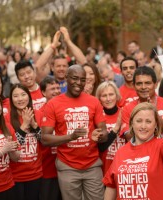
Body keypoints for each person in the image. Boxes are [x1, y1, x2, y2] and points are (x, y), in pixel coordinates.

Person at [41, 64, 108, 200]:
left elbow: (105, 132)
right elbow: (45, 138)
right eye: (75, 78)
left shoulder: (93, 101)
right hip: (67, 166)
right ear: (66, 78)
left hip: (92, 165)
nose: (79, 83)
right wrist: (70, 137)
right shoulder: (53, 104)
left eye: (82, 80)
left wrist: (100, 136)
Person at [103, 102, 163, 200]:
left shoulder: (161, 146)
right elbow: (111, 186)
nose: (143, 126)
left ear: (156, 125)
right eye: (139, 121)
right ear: (132, 123)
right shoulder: (121, 152)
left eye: (148, 121)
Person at [6, 84, 42, 200]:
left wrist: (34, 125)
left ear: (29, 96)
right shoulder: (6, 118)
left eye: (23, 94)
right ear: (11, 99)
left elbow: (44, 141)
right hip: (14, 175)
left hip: (35, 173)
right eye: (15, 96)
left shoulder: (39, 114)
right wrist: (24, 125)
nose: (20, 99)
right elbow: (13, 146)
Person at [120, 66, 163, 140]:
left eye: (147, 83)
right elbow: (129, 137)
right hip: (139, 151)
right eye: (139, 83)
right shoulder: (127, 108)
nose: (143, 87)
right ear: (134, 86)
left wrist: (155, 114)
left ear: (155, 84)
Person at [35, 27, 87, 93]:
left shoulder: (74, 81)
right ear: (52, 68)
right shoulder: (47, 81)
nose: (61, 68)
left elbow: (84, 62)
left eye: (64, 66)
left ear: (68, 68)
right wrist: (53, 46)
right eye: (58, 66)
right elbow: (38, 67)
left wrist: (68, 42)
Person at [39, 77, 62, 200]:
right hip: (46, 169)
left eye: (58, 88)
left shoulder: (65, 109)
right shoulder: (38, 113)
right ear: (43, 92)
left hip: (65, 167)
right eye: (52, 89)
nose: (56, 91)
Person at [95, 81, 124, 175]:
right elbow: (101, 147)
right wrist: (116, 128)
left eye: (111, 94)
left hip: (124, 165)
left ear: (117, 95)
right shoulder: (96, 117)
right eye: (104, 96)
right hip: (104, 168)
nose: (108, 99)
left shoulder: (125, 113)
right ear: (99, 99)